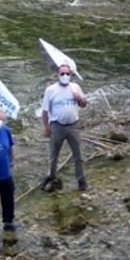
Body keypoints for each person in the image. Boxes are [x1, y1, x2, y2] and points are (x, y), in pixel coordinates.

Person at [41, 63, 89, 191]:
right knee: (54, 154)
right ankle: (51, 176)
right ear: (57, 75)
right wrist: (46, 127)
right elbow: (45, 111)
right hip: (57, 126)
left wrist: (79, 98)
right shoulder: (51, 90)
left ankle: (81, 181)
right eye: (62, 73)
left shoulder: (76, 87)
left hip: (73, 125)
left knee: (78, 155)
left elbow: (84, 104)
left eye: (67, 74)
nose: (65, 76)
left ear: (71, 75)